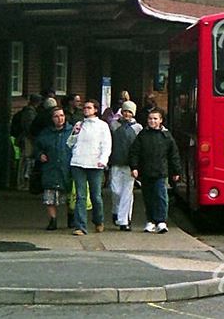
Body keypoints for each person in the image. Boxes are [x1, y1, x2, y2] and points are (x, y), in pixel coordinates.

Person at [128, 108, 181, 234]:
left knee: (161, 196)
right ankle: (150, 221)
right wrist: (134, 167)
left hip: (160, 172)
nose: (152, 121)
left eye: (155, 119)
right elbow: (134, 152)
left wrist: (176, 171)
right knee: (148, 197)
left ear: (161, 120)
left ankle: (161, 221)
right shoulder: (142, 135)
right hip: (145, 172)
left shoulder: (167, 136)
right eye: (150, 119)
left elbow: (173, 155)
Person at [68, 99, 112, 236]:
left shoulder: (102, 126)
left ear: (95, 110)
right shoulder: (79, 124)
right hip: (78, 162)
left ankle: (98, 220)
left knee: (96, 195)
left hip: (95, 163)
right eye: (84, 107)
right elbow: (69, 143)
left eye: (89, 107)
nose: (85, 110)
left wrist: (103, 160)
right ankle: (80, 226)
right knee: (80, 196)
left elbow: (106, 145)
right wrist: (75, 133)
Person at [35, 107, 73, 230]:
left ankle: (71, 218)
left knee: (69, 196)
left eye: (61, 115)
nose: (60, 119)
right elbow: (37, 147)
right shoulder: (45, 133)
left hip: (68, 168)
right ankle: (53, 219)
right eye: (56, 116)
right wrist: (40, 155)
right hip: (50, 168)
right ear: (52, 119)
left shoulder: (71, 131)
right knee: (50, 196)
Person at [109, 101, 142, 231]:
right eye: (125, 111)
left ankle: (124, 220)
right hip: (116, 161)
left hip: (130, 164)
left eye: (130, 112)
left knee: (127, 192)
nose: (127, 114)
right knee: (115, 190)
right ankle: (116, 210)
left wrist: (137, 164)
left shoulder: (138, 128)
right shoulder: (114, 125)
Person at [10, 94, 41, 190]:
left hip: (24, 138)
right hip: (27, 139)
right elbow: (29, 128)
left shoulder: (26, 112)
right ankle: (22, 184)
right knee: (25, 161)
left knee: (24, 161)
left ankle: (22, 183)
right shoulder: (30, 113)